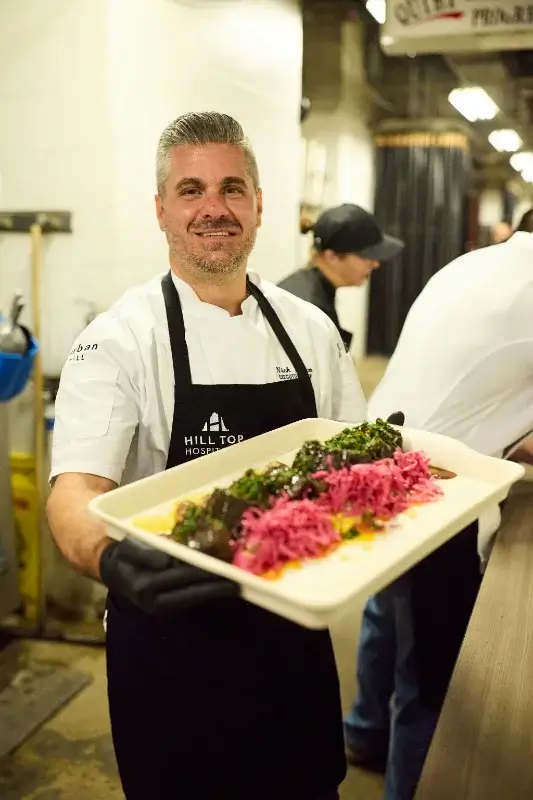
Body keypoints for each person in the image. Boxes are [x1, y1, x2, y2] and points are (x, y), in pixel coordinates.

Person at [46, 111, 369, 800]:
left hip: (294, 631)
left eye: (232, 188)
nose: (213, 208)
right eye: (190, 190)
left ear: (258, 206)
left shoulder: (310, 331)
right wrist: (109, 558)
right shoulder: (119, 340)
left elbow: (352, 464)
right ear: (161, 209)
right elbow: (73, 493)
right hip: (171, 642)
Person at [344, 220, 533, 800]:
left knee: (386, 607)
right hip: (438, 497)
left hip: (378, 458)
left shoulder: (467, 265)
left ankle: (364, 733)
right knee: (427, 680)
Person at [278, 204, 404, 350]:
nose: (375, 264)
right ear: (331, 256)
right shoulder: (308, 311)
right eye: (367, 256)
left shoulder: (311, 290)